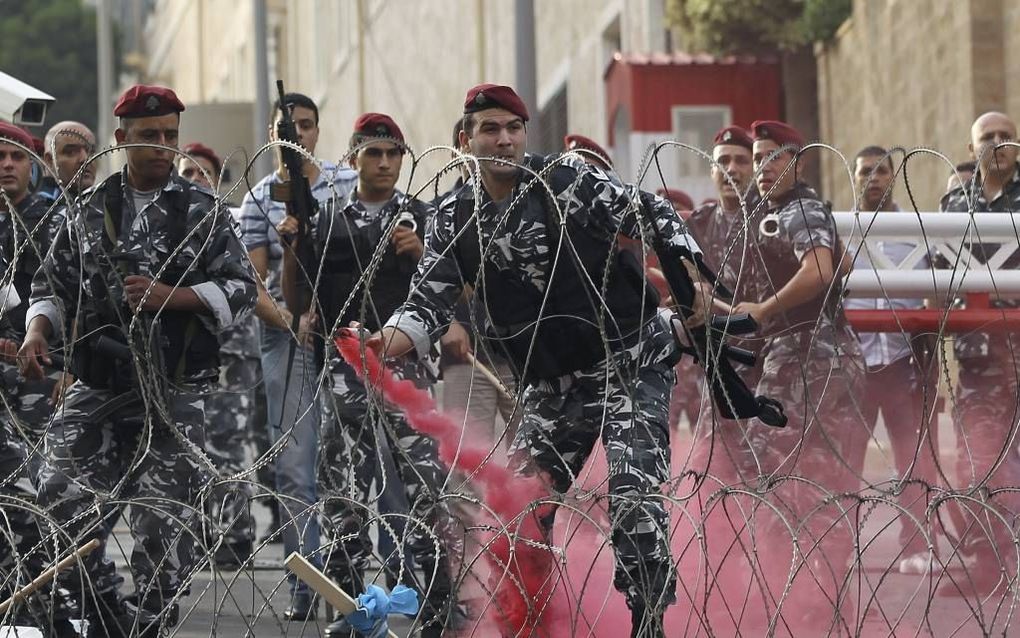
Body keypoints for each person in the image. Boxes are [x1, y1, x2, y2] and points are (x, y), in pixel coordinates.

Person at [364, 83, 707, 637]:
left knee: (633, 501)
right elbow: (426, 304)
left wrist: (691, 274)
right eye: (490, 129)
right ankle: (534, 622)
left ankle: (649, 623)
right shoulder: (454, 216)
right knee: (518, 514)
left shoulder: (567, 182)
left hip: (628, 362)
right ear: (466, 140)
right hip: (550, 386)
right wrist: (383, 341)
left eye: (513, 128)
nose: (504, 139)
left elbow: (650, 211)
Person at [18, 84, 257, 637]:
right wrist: (38, 332)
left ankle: (148, 621)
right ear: (122, 139)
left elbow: (243, 289)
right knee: (56, 495)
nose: (163, 147)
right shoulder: (89, 209)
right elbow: (50, 286)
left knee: (162, 524)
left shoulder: (203, 211)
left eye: (171, 136)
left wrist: (169, 296)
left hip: (176, 388)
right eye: (149, 137)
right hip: (103, 383)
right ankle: (105, 612)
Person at [279, 112, 453, 638]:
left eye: (393, 154)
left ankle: (439, 604)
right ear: (353, 158)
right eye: (373, 153)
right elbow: (296, 300)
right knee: (344, 494)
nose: (384, 164)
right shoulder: (327, 220)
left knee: (424, 487)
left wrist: (421, 254)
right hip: (344, 373)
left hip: (406, 374)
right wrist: (291, 248)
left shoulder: (423, 217)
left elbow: (452, 289)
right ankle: (351, 608)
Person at [731, 120, 865, 632]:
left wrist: (765, 310)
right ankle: (821, 611)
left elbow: (822, 271)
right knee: (819, 485)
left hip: (809, 361)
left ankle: (800, 608)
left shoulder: (798, 208)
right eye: (757, 158)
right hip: (818, 356)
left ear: (797, 162)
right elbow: (844, 263)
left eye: (772, 157)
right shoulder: (793, 211)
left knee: (784, 480)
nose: (762, 168)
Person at [238, 91, 357, 619]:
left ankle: (358, 571)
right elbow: (250, 280)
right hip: (287, 336)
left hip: (349, 331)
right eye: (288, 127)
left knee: (358, 457)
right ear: (272, 136)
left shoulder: (345, 184)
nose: (298, 134)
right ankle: (306, 581)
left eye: (306, 125)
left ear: (316, 130)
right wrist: (289, 320)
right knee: (294, 465)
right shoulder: (259, 198)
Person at [844, 145, 941, 574]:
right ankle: (837, 546)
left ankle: (917, 546)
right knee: (846, 457)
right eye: (865, 171)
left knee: (912, 456)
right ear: (854, 176)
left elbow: (937, 293)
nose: (873, 178)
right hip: (855, 364)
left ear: (893, 178)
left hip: (903, 361)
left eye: (881, 171)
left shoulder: (916, 231)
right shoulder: (840, 232)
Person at [937, 111, 1020, 597]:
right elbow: (938, 268)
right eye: (986, 137)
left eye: (1005, 136)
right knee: (977, 460)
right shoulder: (953, 204)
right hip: (978, 354)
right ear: (972, 150)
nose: (996, 142)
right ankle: (990, 565)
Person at [177, 141, 260, 567]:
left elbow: (244, 289)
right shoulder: (169, 225)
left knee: (227, 444)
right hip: (185, 359)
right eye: (187, 173)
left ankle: (235, 535)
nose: (195, 180)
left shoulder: (227, 224)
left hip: (228, 355)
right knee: (190, 448)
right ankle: (196, 535)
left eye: (203, 173)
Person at [684, 125, 761, 483]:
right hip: (716, 362)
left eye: (742, 160)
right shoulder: (698, 224)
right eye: (724, 161)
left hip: (769, 361)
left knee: (765, 464)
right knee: (714, 467)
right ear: (713, 171)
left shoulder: (772, 220)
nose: (732, 168)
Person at [38, 121, 97, 203]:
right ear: (49, 160)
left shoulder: (108, 204)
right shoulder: (38, 209)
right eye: (72, 152)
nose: (85, 159)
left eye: (91, 152)